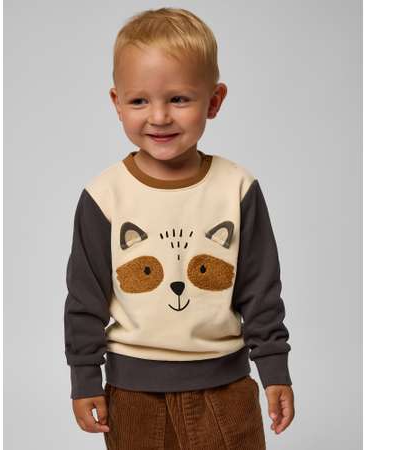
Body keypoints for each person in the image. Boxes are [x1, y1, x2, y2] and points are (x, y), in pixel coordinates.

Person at [64, 7, 295, 449]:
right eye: (139, 101)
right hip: (132, 396)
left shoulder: (237, 188)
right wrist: (84, 376)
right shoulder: (104, 196)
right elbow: (84, 297)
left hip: (225, 390)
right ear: (117, 103)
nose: (159, 116)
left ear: (214, 101)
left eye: (179, 99)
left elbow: (261, 289)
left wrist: (275, 369)